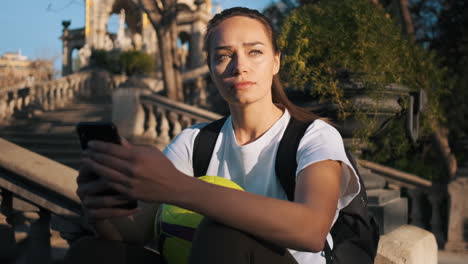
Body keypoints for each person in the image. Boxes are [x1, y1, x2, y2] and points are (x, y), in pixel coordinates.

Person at [66, 7, 360, 264]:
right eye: (223, 56)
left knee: (223, 232)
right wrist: (101, 210)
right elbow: (134, 234)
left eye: (254, 51)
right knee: (91, 253)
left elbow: (311, 230)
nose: (239, 66)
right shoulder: (193, 142)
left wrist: (177, 188)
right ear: (210, 68)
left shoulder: (314, 136)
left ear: (276, 62)